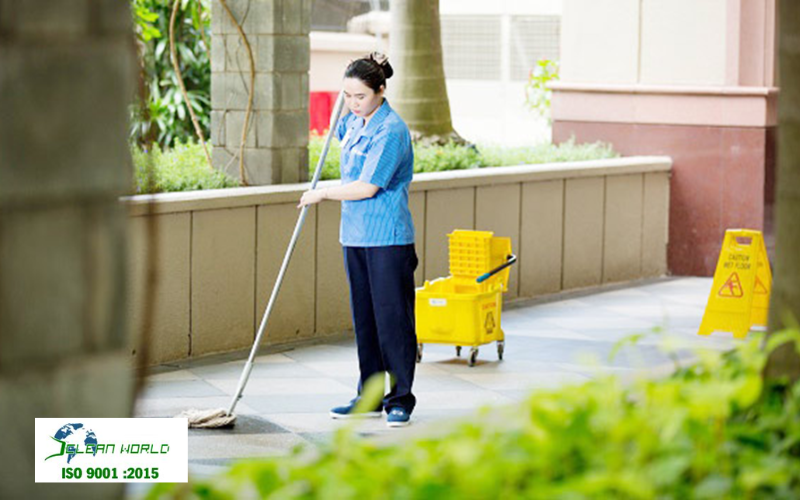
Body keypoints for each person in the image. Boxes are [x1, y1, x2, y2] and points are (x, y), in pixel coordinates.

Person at [298, 52, 418, 427]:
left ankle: (400, 399)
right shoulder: (353, 122)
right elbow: (341, 128)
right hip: (354, 235)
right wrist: (356, 81)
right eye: (347, 95)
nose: (353, 103)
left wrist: (322, 194)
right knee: (366, 321)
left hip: (387, 239)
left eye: (360, 96)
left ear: (381, 91)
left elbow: (367, 187)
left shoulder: (391, 131)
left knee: (392, 321)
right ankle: (369, 396)